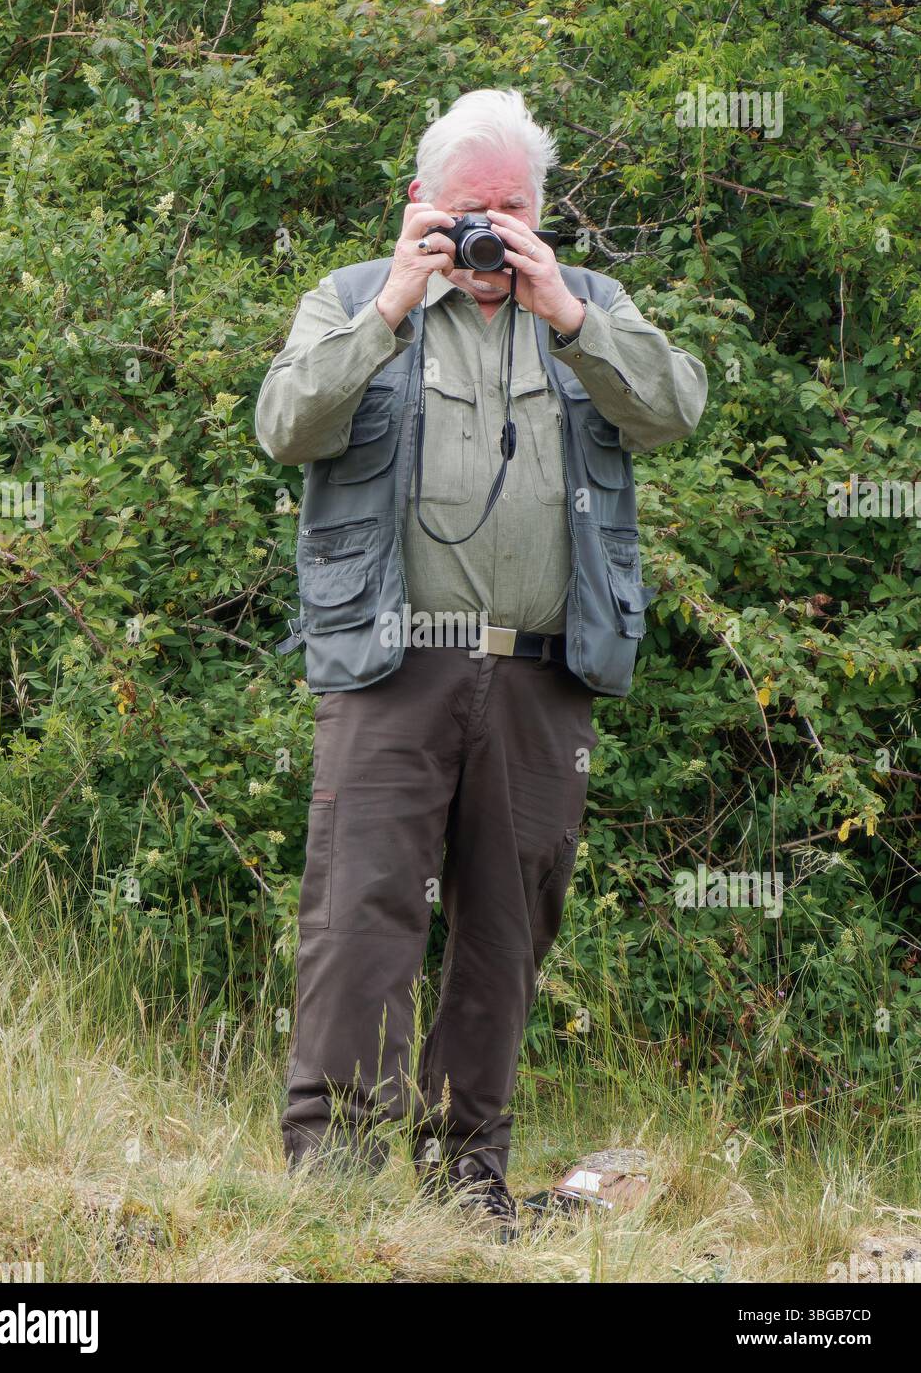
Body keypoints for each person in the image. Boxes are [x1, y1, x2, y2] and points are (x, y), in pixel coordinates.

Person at [254, 88, 708, 1231]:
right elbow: (283, 425)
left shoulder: (584, 303)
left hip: (544, 670)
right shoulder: (356, 296)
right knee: (361, 914)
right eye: (468, 208)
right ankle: (338, 1188)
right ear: (419, 204)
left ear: (542, 214)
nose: (487, 232)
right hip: (387, 662)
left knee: (507, 926)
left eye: (510, 208)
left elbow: (672, 410)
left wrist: (568, 314)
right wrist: (392, 308)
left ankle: (467, 1182)